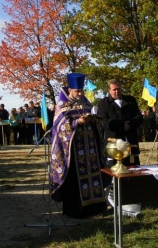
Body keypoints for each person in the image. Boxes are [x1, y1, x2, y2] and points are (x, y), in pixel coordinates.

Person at [50, 73, 107, 218]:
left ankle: (95, 208)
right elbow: (60, 127)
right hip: (74, 150)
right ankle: (76, 210)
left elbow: (97, 120)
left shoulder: (86, 102)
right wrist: (76, 123)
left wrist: (93, 119)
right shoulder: (63, 105)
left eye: (81, 91)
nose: (80, 94)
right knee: (75, 178)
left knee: (94, 173)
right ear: (70, 90)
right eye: (77, 91)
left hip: (90, 148)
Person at [97, 79, 143, 166]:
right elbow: (104, 121)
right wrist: (121, 126)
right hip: (114, 144)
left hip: (130, 142)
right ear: (109, 90)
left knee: (133, 170)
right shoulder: (103, 103)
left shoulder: (130, 101)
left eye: (118, 89)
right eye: (114, 90)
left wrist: (129, 125)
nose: (117, 91)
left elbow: (139, 117)